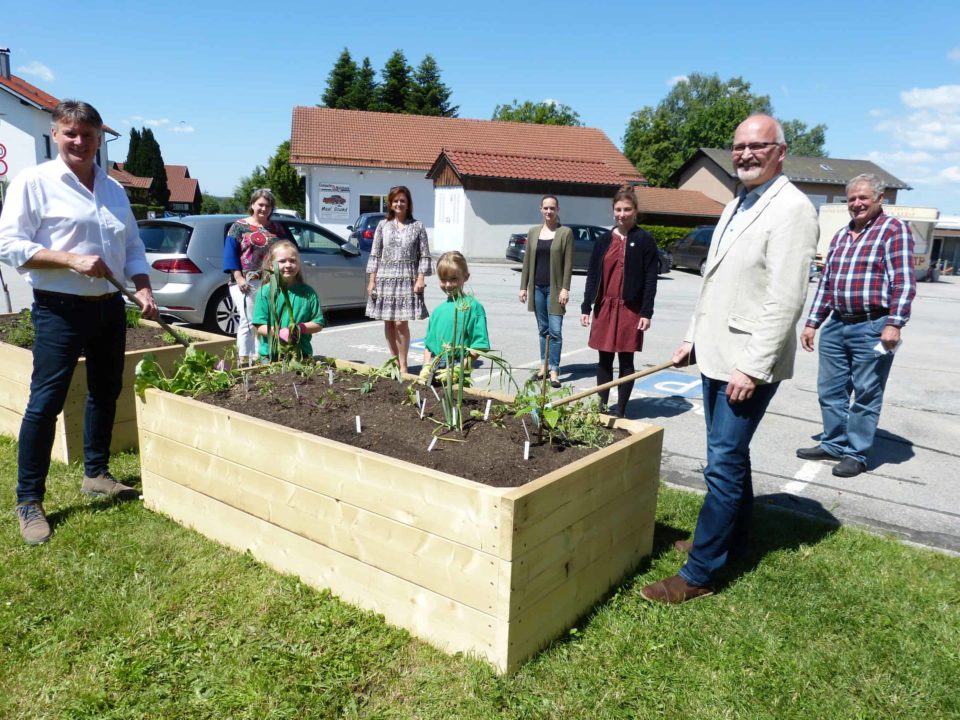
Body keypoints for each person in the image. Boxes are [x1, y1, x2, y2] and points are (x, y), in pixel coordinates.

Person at [640, 114, 818, 604]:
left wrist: (754, 366)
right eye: (738, 146)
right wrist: (692, 337)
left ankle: (700, 571)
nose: (744, 154)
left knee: (721, 461)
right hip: (716, 354)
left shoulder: (793, 210)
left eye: (756, 146)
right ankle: (731, 538)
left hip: (746, 364)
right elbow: (716, 283)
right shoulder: (738, 202)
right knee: (729, 456)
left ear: (781, 151)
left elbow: (785, 299)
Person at [0, 100, 159, 545]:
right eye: (71, 133)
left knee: (105, 391)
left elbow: (131, 248)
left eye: (88, 135)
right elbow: (9, 245)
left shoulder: (111, 188)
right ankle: (29, 499)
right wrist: (70, 259)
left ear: (97, 138)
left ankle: (96, 473)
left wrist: (142, 287)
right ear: (55, 134)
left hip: (109, 306)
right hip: (59, 308)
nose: (79, 141)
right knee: (45, 401)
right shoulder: (35, 182)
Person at [796, 174, 915, 478]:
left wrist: (895, 323)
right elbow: (826, 284)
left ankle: (856, 453)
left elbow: (903, 281)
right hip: (837, 324)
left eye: (863, 197)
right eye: (851, 199)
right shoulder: (840, 236)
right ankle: (834, 443)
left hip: (873, 325)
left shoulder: (893, 230)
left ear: (880, 198)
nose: (857, 204)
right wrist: (812, 323)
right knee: (830, 389)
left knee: (866, 393)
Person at [580, 187, 659, 417]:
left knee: (626, 360)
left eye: (627, 209)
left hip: (630, 309)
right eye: (618, 209)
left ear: (635, 211)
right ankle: (602, 409)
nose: (622, 214)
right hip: (605, 306)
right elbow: (593, 275)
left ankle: (621, 411)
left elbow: (650, 279)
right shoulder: (604, 240)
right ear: (612, 211)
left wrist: (646, 312)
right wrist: (586, 306)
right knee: (604, 359)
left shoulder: (644, 240)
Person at [365, 186, 432, 374]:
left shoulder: (417, 226)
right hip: (385, 277)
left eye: (402, 200)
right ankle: (394, 361)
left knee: (401, 322)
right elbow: (375, 254)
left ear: (408, 203)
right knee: (389, 322)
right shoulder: (382, 226)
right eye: (395, 201)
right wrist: (372, 280)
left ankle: (404, 364)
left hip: (408, 277)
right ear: (390, 203)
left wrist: (420, 278)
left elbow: (424, 255)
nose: (399, 204)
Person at [223, 188, 285, 366]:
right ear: (252, 205)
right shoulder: (239, 227)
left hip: (270, 281)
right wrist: (239, 277)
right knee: (249, 320)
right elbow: (230, 255)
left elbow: (287, 249)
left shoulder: (277, 228)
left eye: (268, 206)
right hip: (246, 282)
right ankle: (244, 359)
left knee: (267, 320)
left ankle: (262, 358)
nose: (264, 209)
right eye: (261, 204)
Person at [518, 195, 574, 387]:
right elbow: (526, 263)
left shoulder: (565, 232)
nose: (549, 211)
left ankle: (555, 370)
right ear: (540, 209)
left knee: (555, 331)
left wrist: (565, 288)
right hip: (537, 288)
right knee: (543, 330)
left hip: (556, 289)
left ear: (558, 210)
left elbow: (568, 263)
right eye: (545, 208)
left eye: (552, 208)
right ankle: (543, 366)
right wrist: (523, 287)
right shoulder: (533, 232)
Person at [418, 251, 490, 385]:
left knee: (455, 404)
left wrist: (459, 369)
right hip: (435, 368)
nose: (448, 285)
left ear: (466, 277)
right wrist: (426, 366)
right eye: (443, 280)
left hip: (457, 369)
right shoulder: (437, 311)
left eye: (453, 279)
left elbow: (480, 345)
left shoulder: (473, 307)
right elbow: (429, 345)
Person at [252, 240, 325, 361]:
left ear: (299, 264)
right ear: (271, 265)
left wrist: (299, 329)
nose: (288, 265)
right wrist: (280, 333)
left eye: (292, 260)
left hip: (301, 354)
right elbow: (260, 326)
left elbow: (318, 323)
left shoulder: (308, 292)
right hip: (271, 356)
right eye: (282, 261)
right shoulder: (264, 292)